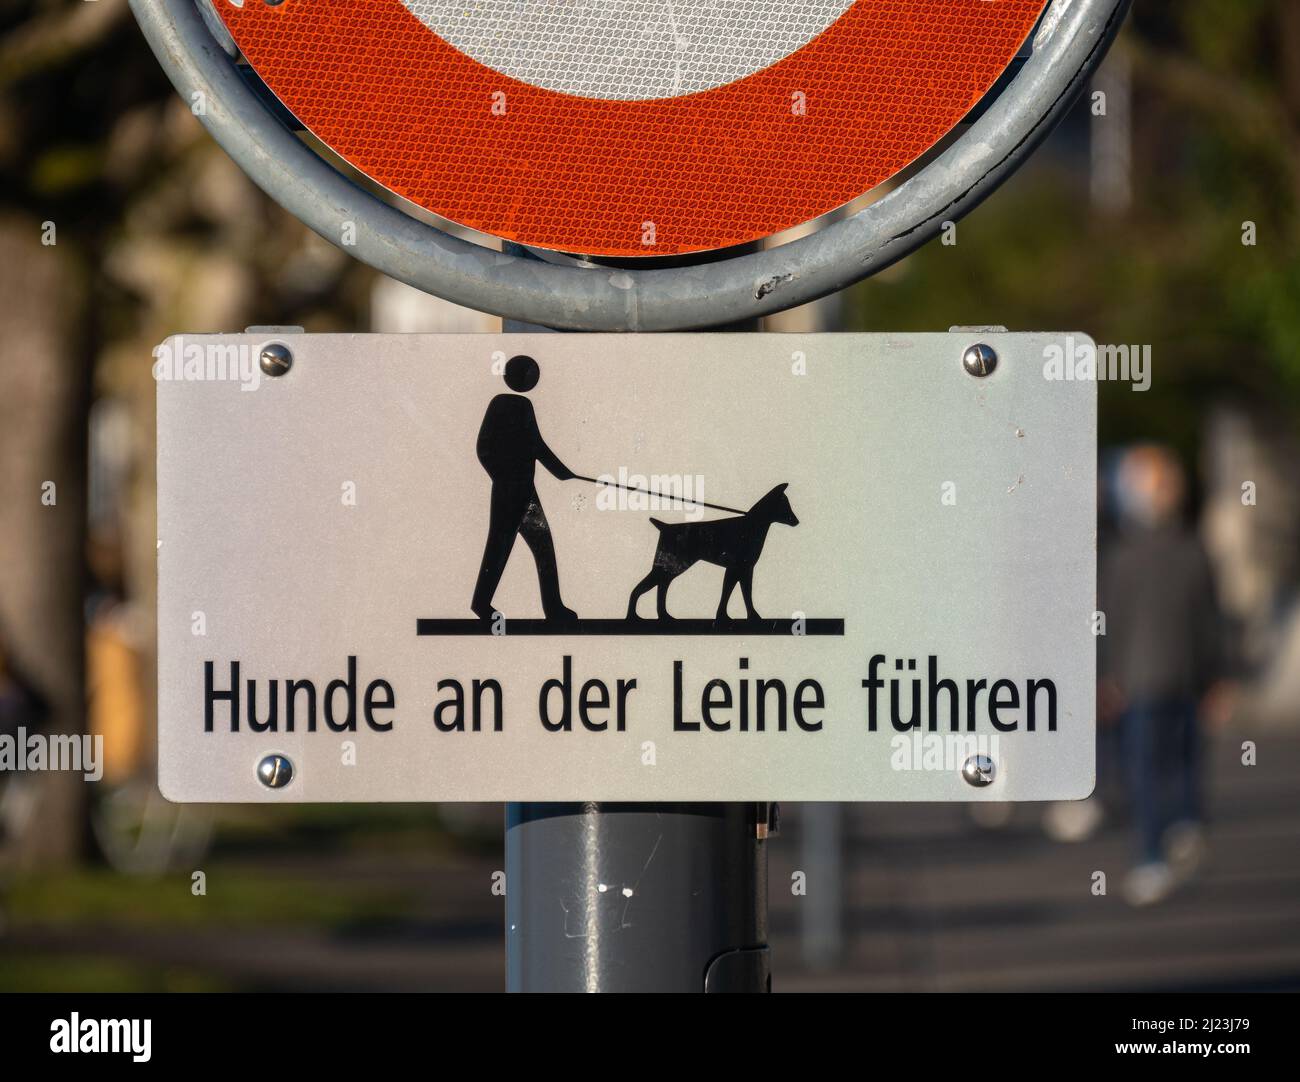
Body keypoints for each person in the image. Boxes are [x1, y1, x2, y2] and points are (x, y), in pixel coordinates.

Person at [1100, 444, 1227, 906]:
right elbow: (1212, 620)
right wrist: (1216, 678)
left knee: (1146, 771)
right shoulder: (1194, 549)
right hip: (1186, 677)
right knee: (1184, 761)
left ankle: (1152, 856)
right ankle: (1186, 826)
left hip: (1141, 680)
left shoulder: (1122, 556)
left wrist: (1107, 677)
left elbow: (1106, 622)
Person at [470, 355, 578, 623]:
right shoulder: (505, 404)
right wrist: (503, 477)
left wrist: (562, 472)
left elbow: (535, 445)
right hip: (511, 490)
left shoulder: (519, 404)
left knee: (540, 546)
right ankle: (482, 604)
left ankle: (553, 608)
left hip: (524, 491)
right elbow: (484, 447)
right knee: (501, 546)